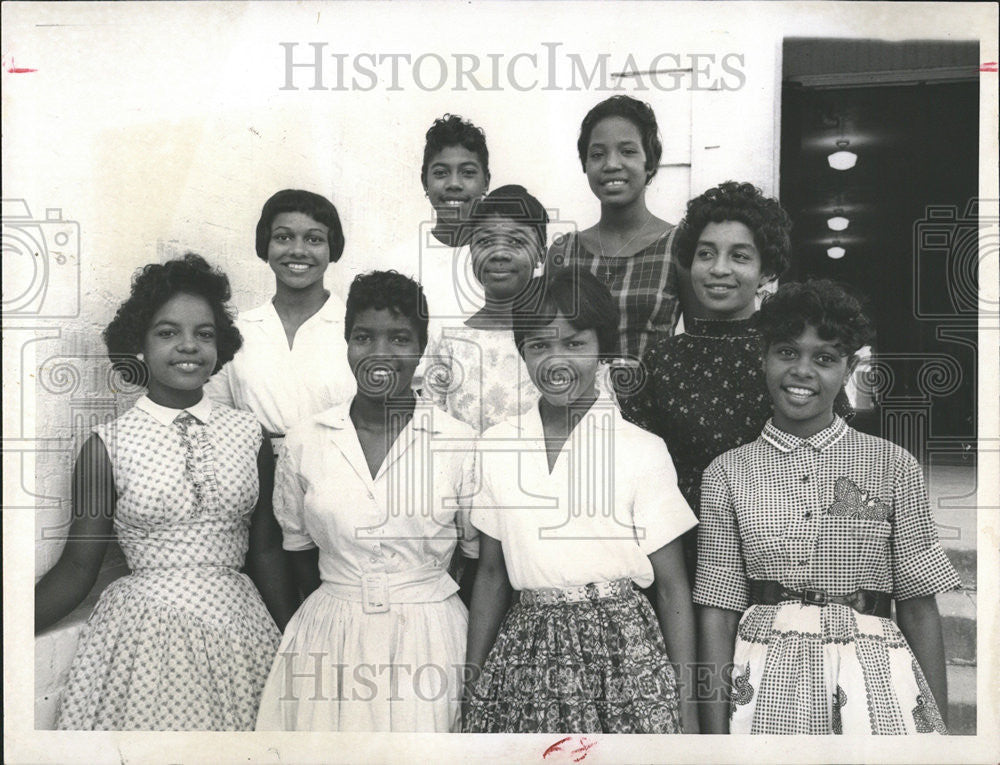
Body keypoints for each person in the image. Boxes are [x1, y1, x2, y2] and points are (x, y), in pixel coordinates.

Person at [35, 254, 293, 730]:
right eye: (167, 332)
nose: (188, 346)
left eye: (205, 333)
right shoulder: (107, 445)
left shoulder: (248, 433)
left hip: (240, 631)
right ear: (139, 344)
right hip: (146, 638)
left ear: (222, 345)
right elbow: (76, 568)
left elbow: (266, 551)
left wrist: (297, 637)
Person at [695, 279, 960, 735]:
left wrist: (941, 733)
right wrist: (715, 734)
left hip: (872, 673)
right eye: (786, 352)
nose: (802, 371)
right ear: (763, 357)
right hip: (760, 675)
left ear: (849, 367)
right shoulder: (727, 472)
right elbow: (718, 609)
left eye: (824, 358)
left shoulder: (893, 465)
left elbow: (917, 604)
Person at [463, 268, 699, 734]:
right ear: (522, 352)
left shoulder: (641, 448)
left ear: (603, 349)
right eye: (539, 345)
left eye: (574, 344)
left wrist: (685, 706)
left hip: (622, 652)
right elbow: (491, 574)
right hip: (525, 649)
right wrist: (473, 681)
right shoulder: (496, 444)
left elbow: (673, 586)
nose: (556, 361)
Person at [255, 271, 479, 732]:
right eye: (364, 337)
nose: (380, 354)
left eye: (399, 338)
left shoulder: (458, 441)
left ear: (421, 347)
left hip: (431, 636)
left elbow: (476, 560)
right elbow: (297, 548)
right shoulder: (307, 440)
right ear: (347, 343)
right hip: (331, 633)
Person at [619, 181, 791, 580]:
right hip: (682, 552)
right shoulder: (661, 361)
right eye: (706, 254)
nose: (719, 269)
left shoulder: (787, 356)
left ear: (766, 269)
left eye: (740, 256)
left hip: (773, 550)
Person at [206, 189, 356, 448]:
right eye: (283, 237)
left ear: (332, 248)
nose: (298, 250)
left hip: (336, 474)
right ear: (266, 244)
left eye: (314, 239)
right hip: (254, 474)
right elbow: (217, 415)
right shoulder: (238, 331)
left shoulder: (356, 330)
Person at [546, 95, 681, 370]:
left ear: (650, 162)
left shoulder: (677, 246)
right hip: (576, 406)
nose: (611, 164)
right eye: (597, 154)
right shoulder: (563, 251)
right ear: (585, 165)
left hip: (649, 408)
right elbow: (548, 337)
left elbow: (698, 342)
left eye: (628, 151)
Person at [422, 184, 545, 434]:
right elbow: (431, 429)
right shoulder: (449, 341)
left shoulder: (560, 338)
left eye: (516, 241)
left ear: (541, 253)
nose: (499, 253)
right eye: (486, 241)